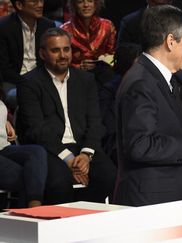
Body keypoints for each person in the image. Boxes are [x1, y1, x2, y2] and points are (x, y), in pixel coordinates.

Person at [114, 5, 182, 224]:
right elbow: (140, 145)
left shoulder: (159, 77)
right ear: (170, 41)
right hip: (153, 207)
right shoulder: (142, 82)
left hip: (167, 203)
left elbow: (168, 130)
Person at [17, 27, 116, 204]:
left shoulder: (85, 80)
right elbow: (36, 129)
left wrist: (86, 155)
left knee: (108, 176)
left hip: (82, 147)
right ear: (42, 53)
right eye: (55, 50)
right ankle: (61, 225)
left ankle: (84, 220)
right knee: (58, 182)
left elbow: (95, 122)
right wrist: (69, 159)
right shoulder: (29, 83)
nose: (62, 55)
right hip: (49, 148)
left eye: (66, 49)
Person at [0, 0, 55, 109]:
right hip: (13, 80)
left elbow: (50, 60)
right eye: (34, 2)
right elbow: (4, 68)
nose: (40, 5)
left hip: (42, 78)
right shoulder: (3, 27)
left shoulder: (47, 25)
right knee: (19, 96)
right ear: (20, 5)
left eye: (41, 1)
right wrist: (28, 82)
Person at [0, 94, 47, 208]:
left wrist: (5, 121)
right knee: (30, 177)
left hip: (3, 146)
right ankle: (33, 210)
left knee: (37, 152)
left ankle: (34, 207)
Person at [61, 0, 116, 72]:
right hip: (76, 75)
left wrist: (99, 65)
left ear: (96, 4)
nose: (86, 5)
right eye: (80, 2)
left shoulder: (107, 26)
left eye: (90, 1)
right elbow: (62, 60)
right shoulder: (65, 30)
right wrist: (79, 67)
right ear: (74, 5)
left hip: (103, 74)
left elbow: (112, 55)